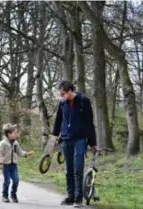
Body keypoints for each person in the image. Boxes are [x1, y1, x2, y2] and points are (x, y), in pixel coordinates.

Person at [52, 80, 98, 208]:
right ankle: (70, 196)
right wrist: (55, 136)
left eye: (63, 94)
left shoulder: (84, 101)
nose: (61, 96)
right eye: (60, 94)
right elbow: (58, 120)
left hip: (80, 139)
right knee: (69, 169)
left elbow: (89, 123)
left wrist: (93, 142)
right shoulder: (62, 102)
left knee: (78, 168)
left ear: (70, 90)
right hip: (66, 138)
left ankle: (78, 199)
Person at [0, 123, 32, 203]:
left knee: (16, 180)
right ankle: (5, 195)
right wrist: (0, 163)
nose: (17, 134)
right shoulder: (3, 143)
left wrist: (26, 154)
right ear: (9, 134)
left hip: (14, 165)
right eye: (15, 133)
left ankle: (13, 194)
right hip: (6, 165)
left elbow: (19, 151)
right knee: (7, 181)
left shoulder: (16, 143)